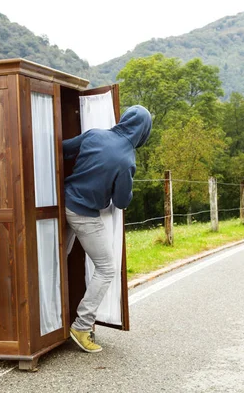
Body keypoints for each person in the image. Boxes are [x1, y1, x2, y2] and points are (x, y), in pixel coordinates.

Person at [63, 105, 152, 353]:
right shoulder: (126, 160)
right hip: (83, 214)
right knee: (106, 268)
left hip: (62, 203)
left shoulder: (94, 135)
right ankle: (81, 326)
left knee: (59, 260)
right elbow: (121, 201)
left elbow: (63, 149)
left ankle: (50, 323)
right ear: (143, 132)